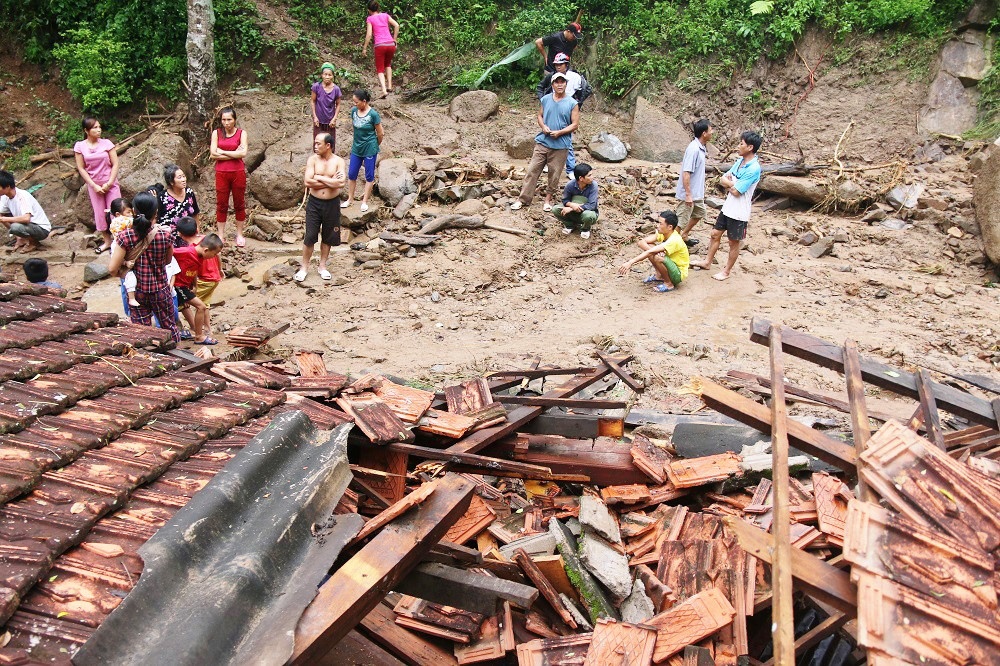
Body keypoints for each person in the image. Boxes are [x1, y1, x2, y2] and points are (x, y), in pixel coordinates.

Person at [107, 191, 179, 341]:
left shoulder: (125, 236)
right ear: (156, 213)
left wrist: (125, 272)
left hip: (136, 292)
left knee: (142, 333)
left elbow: (112, 269)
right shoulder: (165, 235)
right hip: (161, 290)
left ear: (134, 211)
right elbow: (167, 261)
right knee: (170, 328)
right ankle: (176, 353)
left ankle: (147, 354)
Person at [692, 131, 762, 281]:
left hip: (739, 212)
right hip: (728, 207)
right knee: (715, 234)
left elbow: (736, 191)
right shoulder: (740, 161)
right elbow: (722, 179)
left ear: (750, 147)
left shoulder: (753, 168)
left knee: (733, 242)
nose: (738, 146)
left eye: (741, 144)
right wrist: (732, 183)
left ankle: (726, 271)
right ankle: (707, 262)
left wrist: (730, 183)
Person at [510, 73, 578, 212]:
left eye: (562, 82)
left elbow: (575, 124)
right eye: (557, 82)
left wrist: (560, 132)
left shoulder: (572, 103)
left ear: (566, 84)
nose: (560, 84)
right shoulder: (546, 99)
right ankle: (523, 199)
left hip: (561, 145)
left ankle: (547, 200)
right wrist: (543, 126)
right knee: (532, 171)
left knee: (554, 175)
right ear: (552, 84)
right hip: (543, 142)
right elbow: (540, 115)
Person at [298, 133, 347, 283]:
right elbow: (308, 182)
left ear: (328, 145)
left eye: (318, 143)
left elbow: (341, 183)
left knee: (328, 236)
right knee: (310, 235)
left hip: (332, 204)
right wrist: (330, 180)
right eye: (315, 143)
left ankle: (322, 266)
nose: (315, 146)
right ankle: (304, 267)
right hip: (314, 203)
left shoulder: (338, 161)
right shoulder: (312, 160)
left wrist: (318, 177)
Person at [73, 117, 121, 254]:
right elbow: (81, 168)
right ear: (86, 130)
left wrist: (109, 182)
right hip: (94, 184)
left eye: (99, 127)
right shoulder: (80, 146)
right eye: (95, 128)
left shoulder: (107, 143)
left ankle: (119, 242)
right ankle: (107, 241)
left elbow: (115, 164)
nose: (99, 130)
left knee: (116, 212)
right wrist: (93, 185)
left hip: (110, 182)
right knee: (99, 213)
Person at [536, 53, 585, 180]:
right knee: (549, 136)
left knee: (565, 139)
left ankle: (570, 169)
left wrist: (578, 103)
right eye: (556, 64)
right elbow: (540, 87)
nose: (558, 66)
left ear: (566, 65)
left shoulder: (574, 76)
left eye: (561, 64)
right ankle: (549, 163)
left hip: (567, 108)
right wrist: (544, 100)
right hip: (553, 106)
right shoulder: (552, 77)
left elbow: (585, 89)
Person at [618, 210, 690, 293]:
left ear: (669, 227)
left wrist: (630, 262)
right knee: (651, 247)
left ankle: (669, 284)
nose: (657, 226)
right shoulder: (663, 233)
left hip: (678, 274)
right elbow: (641, 242)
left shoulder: (674, 240)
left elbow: (650, 252)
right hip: (670, 265)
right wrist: (654, 251)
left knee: (657, 257)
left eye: (660, 224)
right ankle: (659, 276)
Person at [177, 216, 223, 341]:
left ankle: (196, 332)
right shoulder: (190, 250)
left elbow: (194, 272)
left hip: (190, 284)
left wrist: (194, 286)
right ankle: (200, 333)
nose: (213, 256)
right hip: (180, 285)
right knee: (200, 306)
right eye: (213, 254)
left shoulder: (200, 254)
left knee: (197, 306)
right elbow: (172, 252)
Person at [210, 107, 248, 247]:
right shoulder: (216, 133)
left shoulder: (241, 133)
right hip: (221, 172)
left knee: (239, 203)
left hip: (238, 172)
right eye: (224, 120)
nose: (226, 123)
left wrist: (222, 151)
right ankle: (221, 234)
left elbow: (243, 153)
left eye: (229, 119)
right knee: (221, 203)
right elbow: (213, 154)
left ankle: (239, 234)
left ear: (235, 120)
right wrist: (233, 153)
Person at [342, 90, 383, 214]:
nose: (355, 104)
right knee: (352, 173)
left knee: (369, 175)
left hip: (370, 148)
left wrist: (375, 145)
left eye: (357, 102)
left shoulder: (373, 114)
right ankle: (350, 199)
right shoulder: (354, 112)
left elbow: (380, 133)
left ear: (364, 101)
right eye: (354, 102)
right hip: (357, 147)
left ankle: (364, 201)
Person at [676, 119, 712, 247]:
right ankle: (668, 246)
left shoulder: (701, 148)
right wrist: (688, 194)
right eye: (710, 130)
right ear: (704, 133)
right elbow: (686, 172)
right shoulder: (694, 149)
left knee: (700, 213)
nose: (712, 132)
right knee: (681, 220)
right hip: (689, 193)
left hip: (696, 193)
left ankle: (684, 235)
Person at [0, 170, 51, 251]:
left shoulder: (22, 196)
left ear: (7, 186)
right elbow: (2, 214)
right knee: (4, 217)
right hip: (27, 227)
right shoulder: (5, 197)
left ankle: (33, 243)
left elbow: (26, 218)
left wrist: (4, 219)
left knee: (14, 226)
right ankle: (20, 238)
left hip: (41, 229)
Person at [107, 198, 141, 309]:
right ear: (118, 214)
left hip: (124, 252)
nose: (131, 214)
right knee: (127, 279)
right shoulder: (121, 221)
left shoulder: (118, 222)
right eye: (128, 212)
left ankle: (129, 310)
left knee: (125, 282)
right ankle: (130, 305)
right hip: (122, 253)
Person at [362, 1, 399, 98]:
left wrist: (364, 48)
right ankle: (390, 86)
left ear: (369, 10)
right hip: (390, 43)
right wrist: (394, 39)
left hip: (380, 45)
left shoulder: (370, 19)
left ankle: (383, 90)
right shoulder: (385, 15)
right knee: (388, 64)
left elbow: (369, 35)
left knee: (380, 69)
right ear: (377, 8)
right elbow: (396, 25)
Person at [553, 163, 598, 239]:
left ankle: (585, 229)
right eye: (589, 175)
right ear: (581, 178)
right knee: (555, 209)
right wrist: (571, 205)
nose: (592, 177)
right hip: (573, 213)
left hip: (586, 211)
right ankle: (570, 225)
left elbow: (592, 205)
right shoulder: (570, 185)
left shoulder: (593, 185)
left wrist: (572, 208)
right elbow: (565, 200)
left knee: (589, 216)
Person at [158, 164, 200, 239]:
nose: (183, 179)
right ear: (171, 182)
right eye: (179, 177)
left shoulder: (189, 192)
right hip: (169, 238)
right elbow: (156, 218)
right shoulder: (162, 197)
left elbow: (195, 213)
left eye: (184, 176)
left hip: (188, 236)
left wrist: (197, 230)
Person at [311, 63, 342, 144]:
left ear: (333, 76)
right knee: (318, 142)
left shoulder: (336, 89)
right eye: (325, 74)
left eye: (330, 75)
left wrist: (334, 119)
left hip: (330, 121)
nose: (327, 77)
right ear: (322, 75)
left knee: (329, 144)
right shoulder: (316, 87)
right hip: (318, 121)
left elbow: (338, 104)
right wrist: (315, 117)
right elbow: (313, 101)